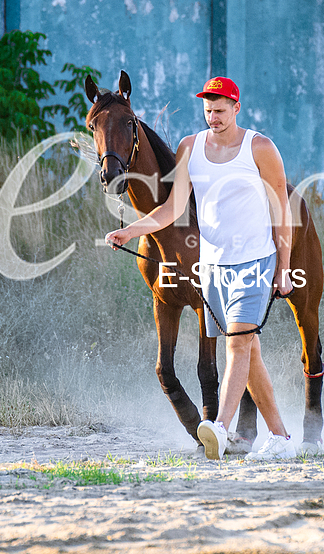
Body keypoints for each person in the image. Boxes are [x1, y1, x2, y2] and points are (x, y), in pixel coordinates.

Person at [104, 76, 297, 461]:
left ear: (236, 108)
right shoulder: (190, 148)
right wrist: (130, 230)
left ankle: (219, 429)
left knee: (238, 342)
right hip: (213, 266)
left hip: (255, 260)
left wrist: (284, 267)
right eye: (208, 111)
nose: (214, 118)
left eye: (221, 111)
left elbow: (281, 210)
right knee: (250, 352)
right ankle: (282, 438)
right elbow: (173, 208)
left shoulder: (259, 147)